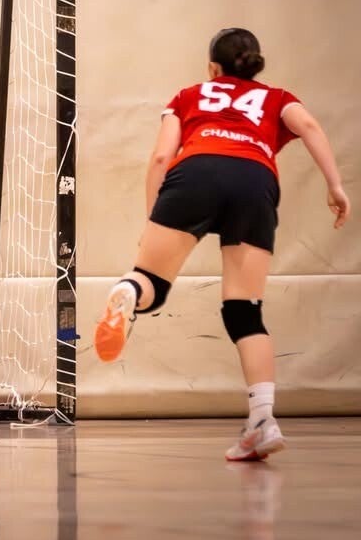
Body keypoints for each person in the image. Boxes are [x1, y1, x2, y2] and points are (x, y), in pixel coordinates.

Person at [94, 28, 349, 461]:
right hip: (254, 180)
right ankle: (262, 421)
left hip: (195, 172)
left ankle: (129, 290)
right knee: (244, 310)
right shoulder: (276, 97)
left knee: (151, 280)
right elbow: (308, 125)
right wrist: (335, 185)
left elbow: (161, 157)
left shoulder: (189, 96)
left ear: (213, 68)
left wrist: (155, 218)